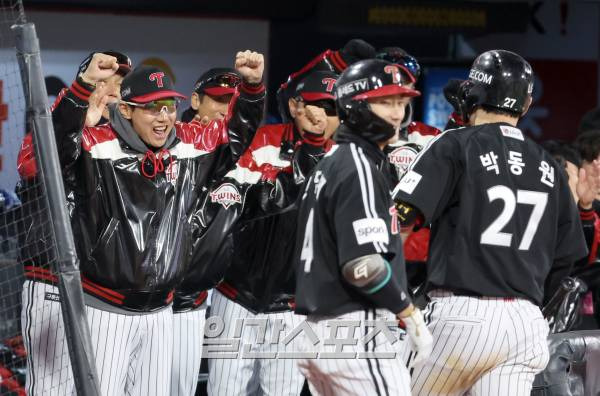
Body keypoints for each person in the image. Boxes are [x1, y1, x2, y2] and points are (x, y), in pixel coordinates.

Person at [19, 50, 265, 396]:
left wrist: (252, 88)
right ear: (127, 110)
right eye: (152, 107)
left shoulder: (186, 146)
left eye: (168, 106)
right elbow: (43, 160)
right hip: (106, 308)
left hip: (162, 310)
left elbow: (235, 135)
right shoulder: (95, 143)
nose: (163, 117)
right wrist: (79, 98)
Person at [393, 50, 588, 395]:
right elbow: (567, 255)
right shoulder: (550, 167)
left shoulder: (454, 144)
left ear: (471, 94)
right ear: (526, 105)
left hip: (460, 314)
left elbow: (398, 219)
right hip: (525, 324)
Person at [293, 59, 433, 395]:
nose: (398, 113)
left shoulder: (332, 162)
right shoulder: (358, 164)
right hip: (355, 330)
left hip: (319, 330)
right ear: (356, 106)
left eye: (402, 102)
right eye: (385, 102)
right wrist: (409, 313)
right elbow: (362, 266)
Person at [207, 70, 338, 396]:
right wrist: (306, 155)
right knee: (224, 392)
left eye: (331, 107)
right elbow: (248, 202)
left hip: (294, 306)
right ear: (295, 106)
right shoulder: (264, 139)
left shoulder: (343, 158)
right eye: (314, 103)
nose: (321, 114)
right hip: (236, 293)